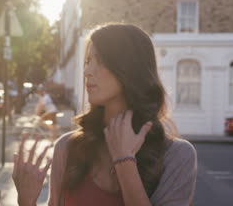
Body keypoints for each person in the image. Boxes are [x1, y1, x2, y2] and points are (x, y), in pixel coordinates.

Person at [13, 24, 197, 206]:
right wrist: (27, 202)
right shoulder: (67, 148)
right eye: (88, 61)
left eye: (100, 61)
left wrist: (124, 162)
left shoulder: (177, 156)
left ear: (130, 69)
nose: (87, 72)